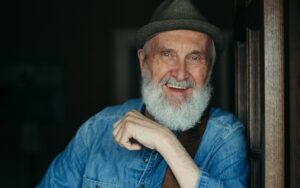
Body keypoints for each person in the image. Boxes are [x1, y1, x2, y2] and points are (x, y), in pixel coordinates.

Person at [38, 0, 249, 187]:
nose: (181, 72)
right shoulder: (97, 129)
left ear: (210, 69)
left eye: (195, 58)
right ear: (142, 62)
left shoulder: (225, 137)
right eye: (167, 54)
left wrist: (165, 140)